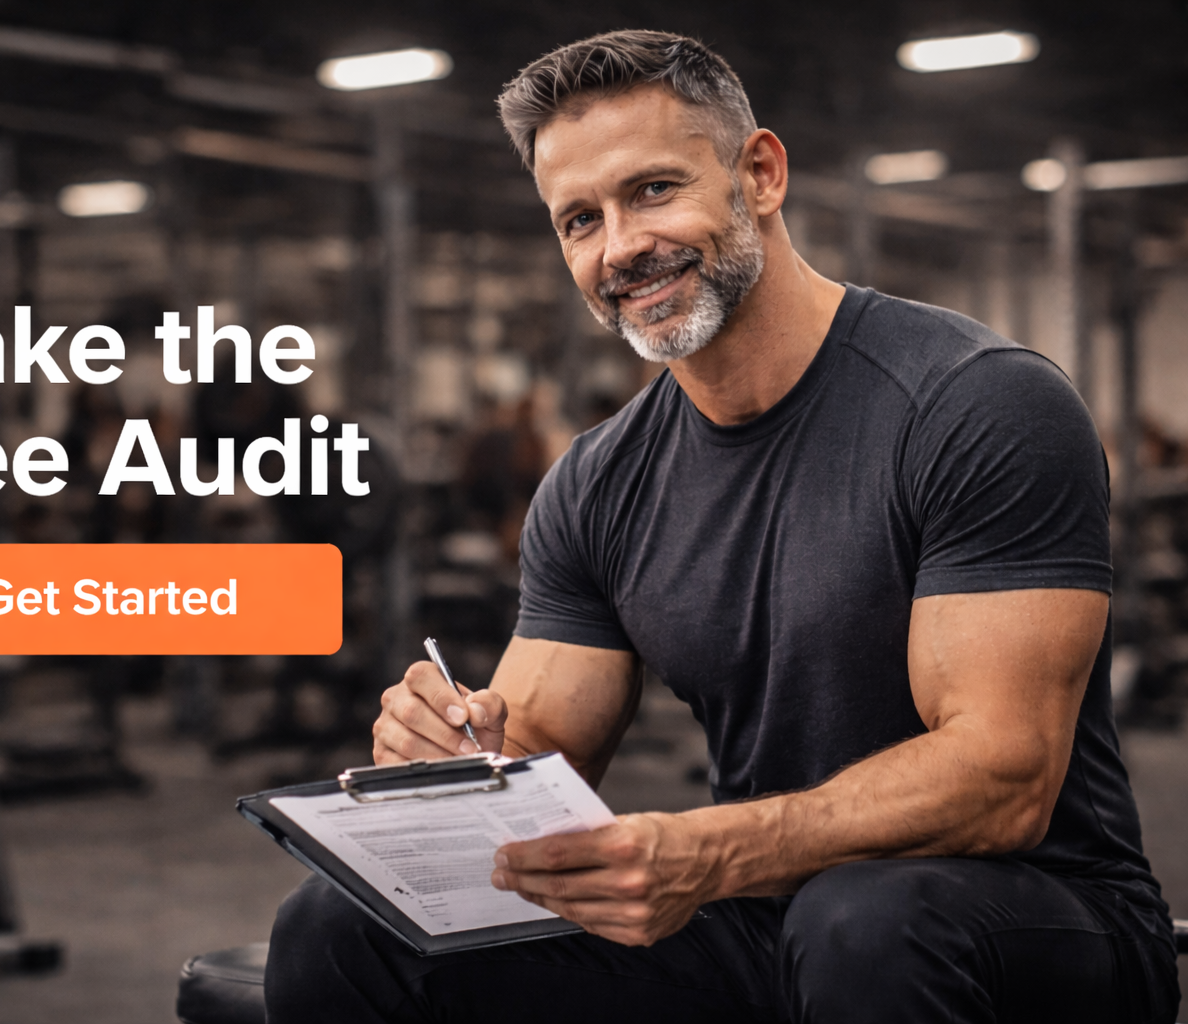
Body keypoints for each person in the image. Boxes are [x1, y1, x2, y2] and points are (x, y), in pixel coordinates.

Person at [265, 30, 1180, 1023]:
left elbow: (1004, 779)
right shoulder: (599, 480)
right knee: (340, 927)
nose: (619, 247)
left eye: (652, 190)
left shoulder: (977, 404)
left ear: (761, 174)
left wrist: (707, 850)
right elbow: (535, 749)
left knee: (866, 920)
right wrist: (452, 753)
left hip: (1036, 918)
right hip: (764, 914)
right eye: (580, 219)